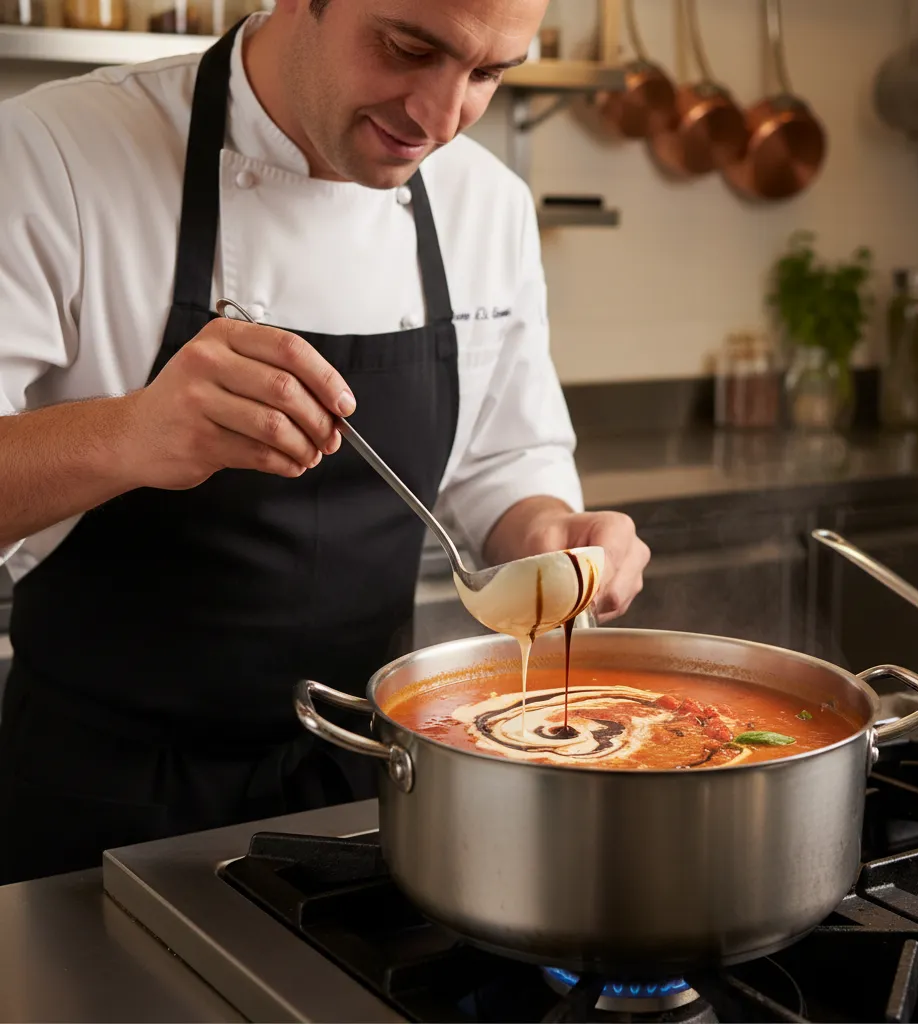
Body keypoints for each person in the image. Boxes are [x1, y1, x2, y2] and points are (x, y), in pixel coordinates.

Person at [0, 0, 650, 884]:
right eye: (408, 47)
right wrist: (130, 433)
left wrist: (547, 537)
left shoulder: (486, 204)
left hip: (372, 790)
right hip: (95, 809)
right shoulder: (54, 154)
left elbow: (503, 462)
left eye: (488, 74)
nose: (439, 117)